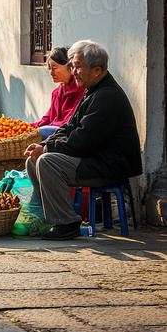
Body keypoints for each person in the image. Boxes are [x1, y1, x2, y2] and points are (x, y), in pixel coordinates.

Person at [24, 40, 141, 240]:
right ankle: (52, 216)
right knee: (33, 160)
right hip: (92, 159)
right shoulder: (92, 91)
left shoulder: (107, 96)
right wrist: (44, 145)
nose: (74, 71)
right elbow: (69, 127)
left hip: (109, 165)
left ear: (97, 70)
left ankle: (67, 223)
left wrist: (47, 150)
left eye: (78, 67)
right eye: (73, 66)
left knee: (47, 161)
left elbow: (81, 141)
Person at [30, 47, 85, 140]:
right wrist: (26, 127)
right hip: (54, 131)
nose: (51, 73)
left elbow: (69, 122)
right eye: (50, 69)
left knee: (40, 133)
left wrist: (41, 129)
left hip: (67, 133)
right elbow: (47, 118)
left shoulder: (81, 90)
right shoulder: (56, 93)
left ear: (70, 67)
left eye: (54, 68)